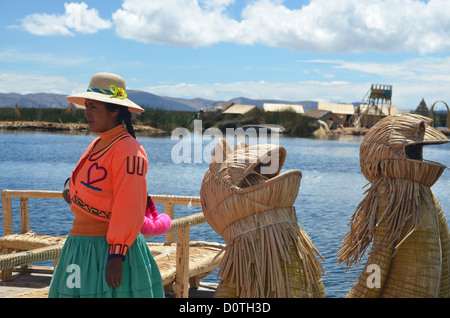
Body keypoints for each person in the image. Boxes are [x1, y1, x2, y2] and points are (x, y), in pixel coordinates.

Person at [48, 72, 164, 298]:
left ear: (114, 111)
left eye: (94, 108)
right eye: (87, 107)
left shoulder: (128, 151)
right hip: (81, 245)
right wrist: (68, 188)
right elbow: (87, 182)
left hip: (107, 249)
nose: (87, 113)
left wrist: (116, 255)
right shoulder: (99, 143)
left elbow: (129, 204)